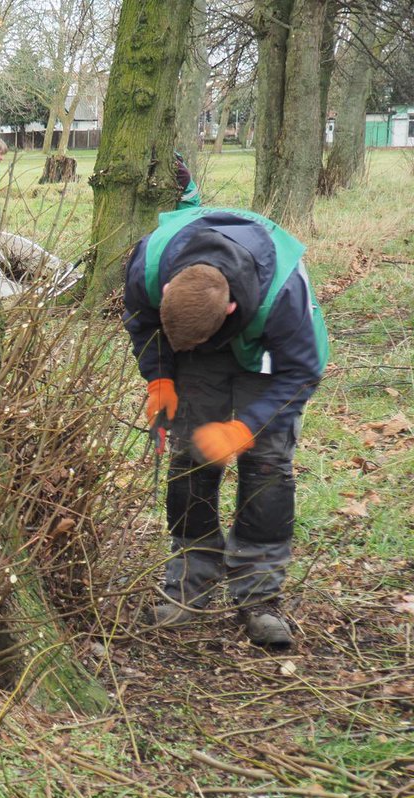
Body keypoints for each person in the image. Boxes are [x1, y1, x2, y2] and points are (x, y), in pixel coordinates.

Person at [122, 207, 328, 650]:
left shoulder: (285, 293)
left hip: (270, 358)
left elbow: (303, 371)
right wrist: (159, 376)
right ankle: (189, 585)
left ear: (231, 308)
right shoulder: (150, 264)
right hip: (198, 346)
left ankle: (260, 598)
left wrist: (245, 428)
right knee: (191, 458)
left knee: (267, 467)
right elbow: (140, 321)